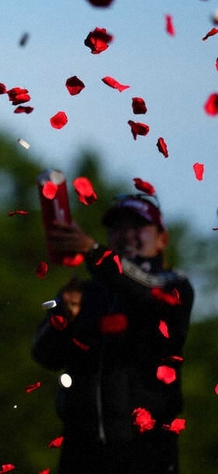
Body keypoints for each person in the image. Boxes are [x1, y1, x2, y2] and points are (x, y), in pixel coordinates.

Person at [32, 192, 194, 474]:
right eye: (118, 227)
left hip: (146, 447)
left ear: (162, 239)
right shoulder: (86, 292)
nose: (127, 234)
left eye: (138, 226)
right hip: (82, 447)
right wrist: (62, 316)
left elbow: (145, 289)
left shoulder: (174, 285)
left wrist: (94, 252)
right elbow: (43, 354)